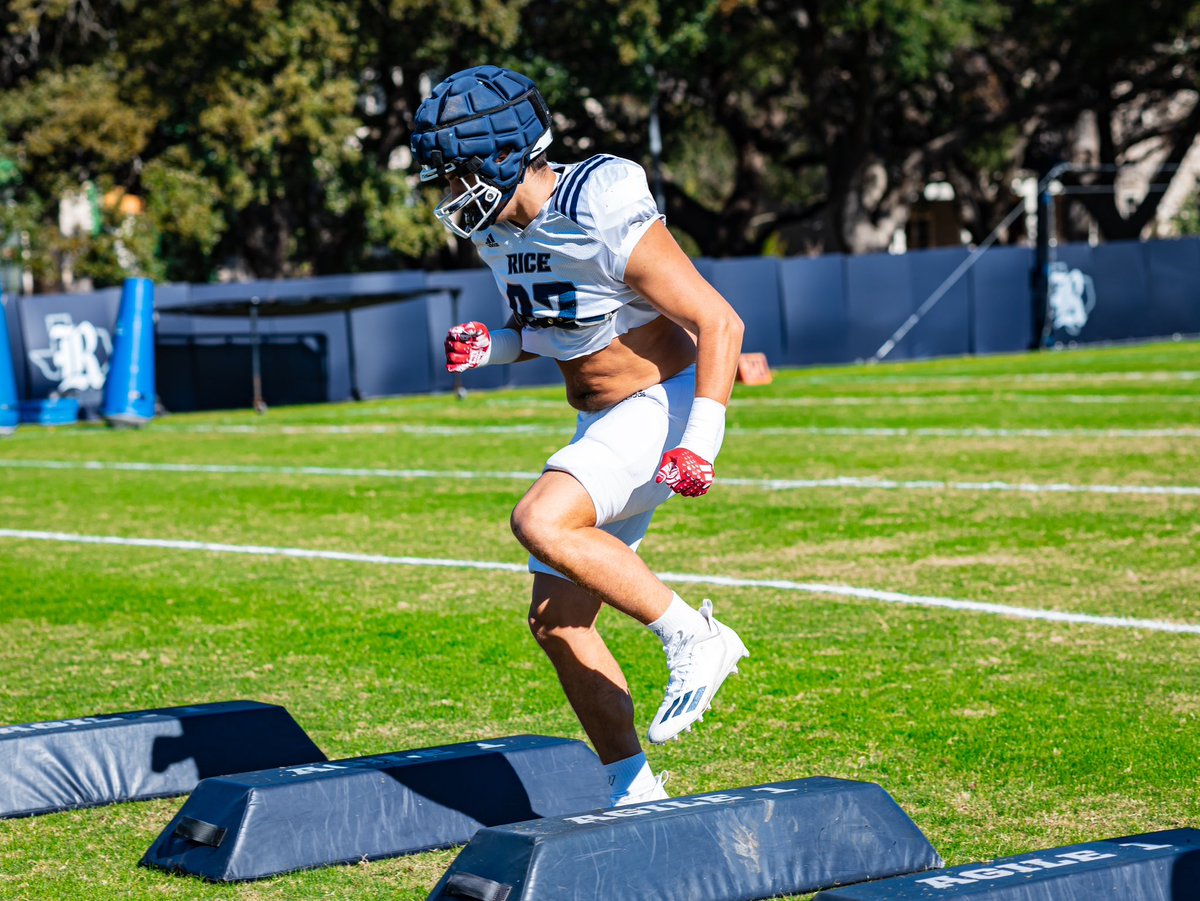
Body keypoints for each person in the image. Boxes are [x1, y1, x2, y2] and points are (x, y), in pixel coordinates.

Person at [411, 65, 749, 806]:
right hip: (605, 418)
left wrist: (701, 442)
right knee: (558, 622)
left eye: (458, 173)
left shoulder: (597, 201)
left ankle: (696, 636)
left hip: (659, 404)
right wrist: (495, 347)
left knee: (539, 518)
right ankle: (633, 793)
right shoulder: (499, 230)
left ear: (501, 155)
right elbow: (554, 328)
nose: (450, 194)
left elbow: (719, 321)